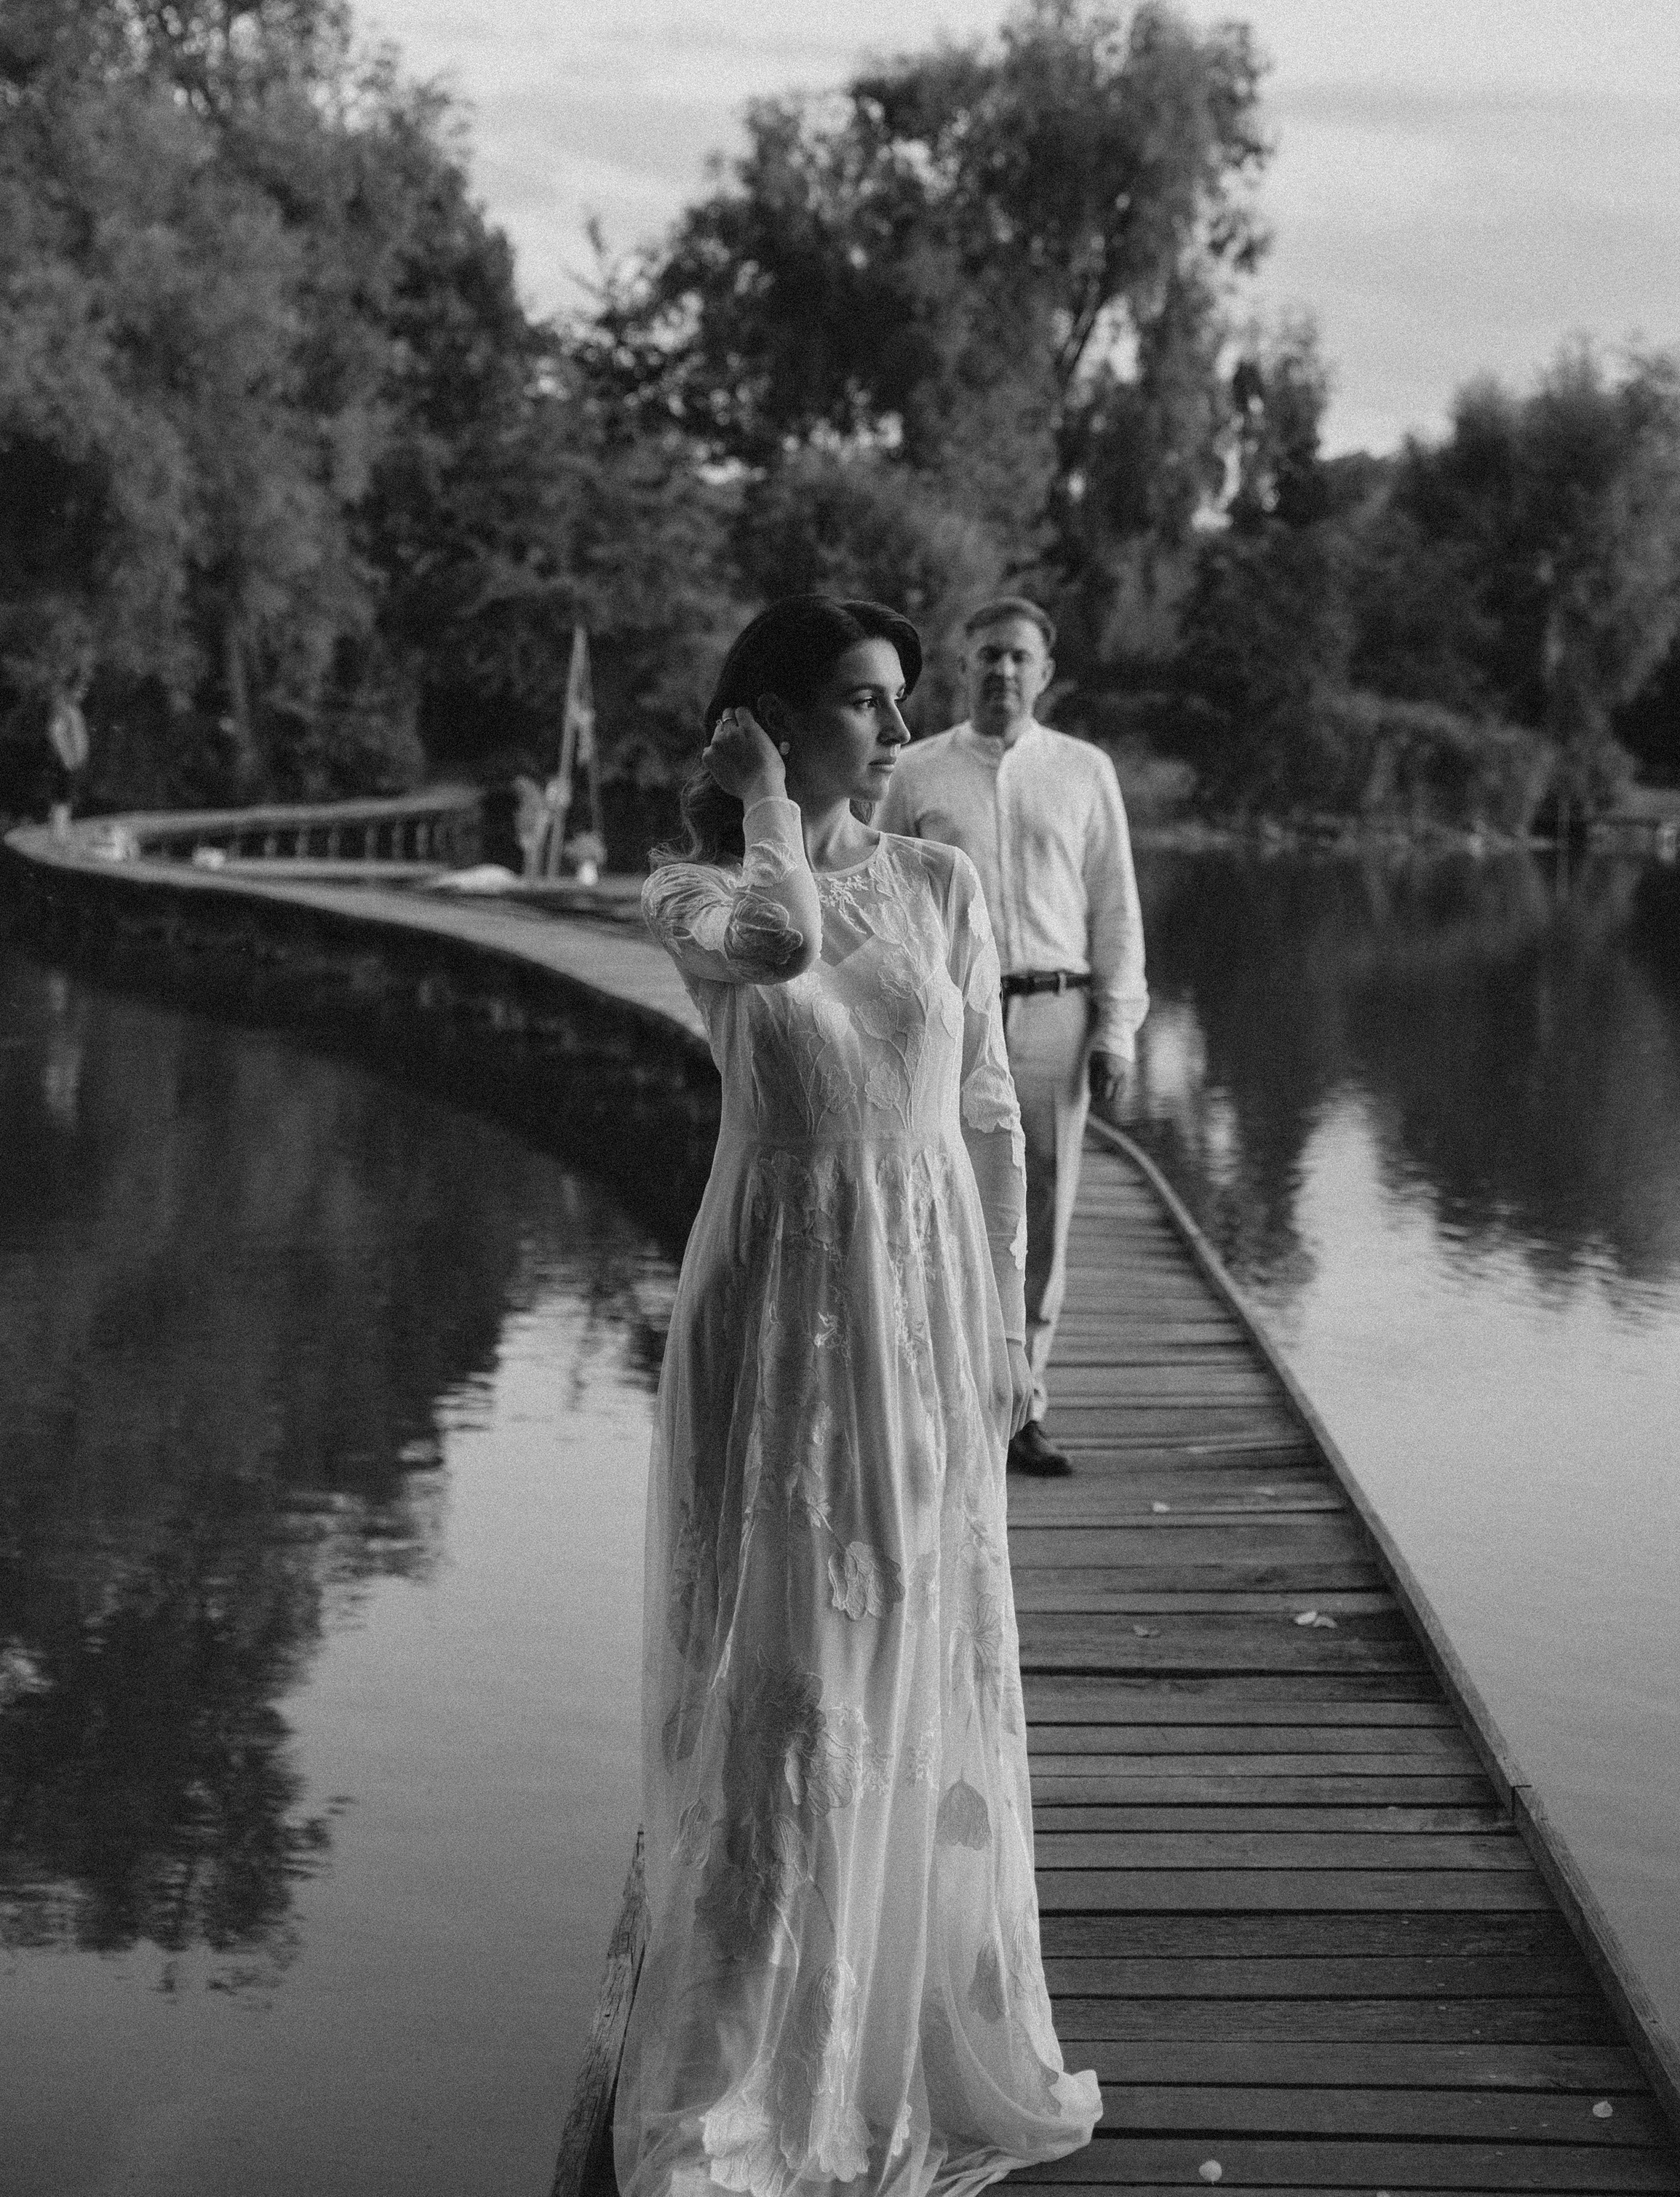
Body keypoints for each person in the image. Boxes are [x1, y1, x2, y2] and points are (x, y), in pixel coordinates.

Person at [616, 596, 1100, 2197]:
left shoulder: (942, 883)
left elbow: (989, 1117)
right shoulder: (690, 890)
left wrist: (1008, 1327)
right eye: (860, 702)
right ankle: (762, 2057)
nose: (899, 733)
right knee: (788, 1674)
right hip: (778, 1301)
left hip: (922, 1288)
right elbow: (781, 947)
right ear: (768, 720)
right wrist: (764, 805)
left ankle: (896, 2031)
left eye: (903, 702)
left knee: (907, 1633)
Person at [877, 599, 1146, 1477]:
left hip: (1054, 1012)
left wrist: (1118, 1028)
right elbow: (881, 898)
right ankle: (942, 1401)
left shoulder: (1084, 770)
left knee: (1041, 1213)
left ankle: (1022, 1407)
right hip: (948, 1014)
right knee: (940, 1201)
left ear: (1044, 673)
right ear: (963, 667)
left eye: (1018, 657)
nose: (1002, 671)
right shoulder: (914, 771)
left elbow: (1114, 903)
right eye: (988, 655)